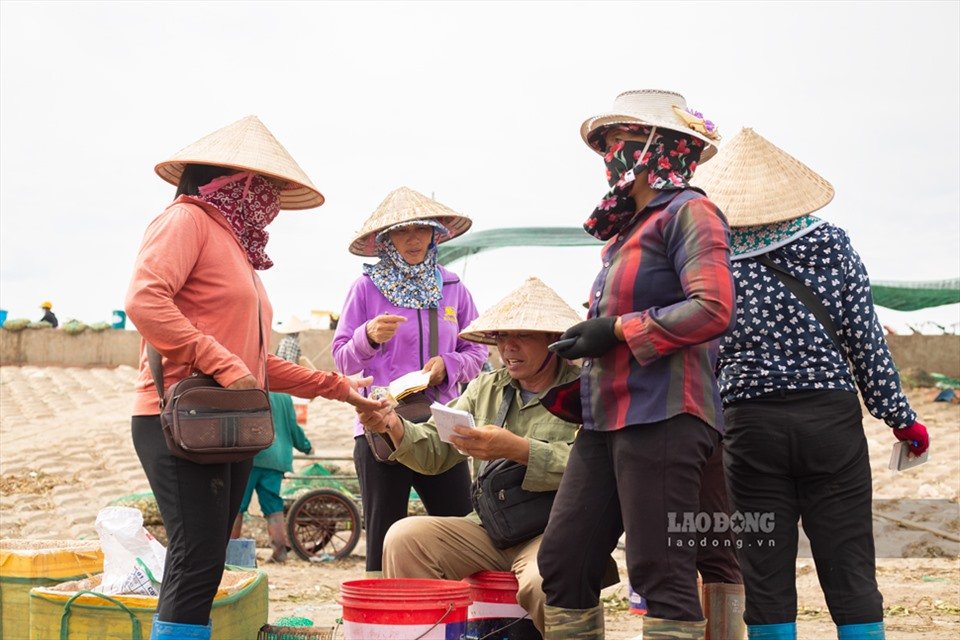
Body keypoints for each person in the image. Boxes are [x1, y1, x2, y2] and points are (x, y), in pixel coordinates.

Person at [125, 115, 383, 640]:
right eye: (261, 187)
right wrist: (221, 362)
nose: (267, 201)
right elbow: (144, 299)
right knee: (197, 550)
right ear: (229, 181)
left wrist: (341, 388)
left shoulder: (239, 250)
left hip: (233, 421)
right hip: (180, 416)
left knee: (207, 552)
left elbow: (258, 367)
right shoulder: (186, 220)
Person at [692, 128, 930, 640]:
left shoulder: (712, 259)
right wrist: (901, 419)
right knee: (849, 561)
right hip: (830, 422)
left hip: (750, 428)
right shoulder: (829, 243)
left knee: (765, 569)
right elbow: (864, 338)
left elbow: (703, 351)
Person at [538, 90, 735, 639]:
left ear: (656, 148)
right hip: (606, 416)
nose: (607, 153)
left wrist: (619, 328)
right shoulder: (629, 230)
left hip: (665, 413)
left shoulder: (690, 211)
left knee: (661, 571)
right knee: (564, 560)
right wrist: (592, 334)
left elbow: (713, 307)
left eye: (616, 139)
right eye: (604, 142)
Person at [357, 277, 584, 635]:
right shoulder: (486, 387)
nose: (508, 348)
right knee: (404, 537)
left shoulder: (584, 390)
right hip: (491, 527)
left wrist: (518, 450)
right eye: (501, 338)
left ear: (552, 340)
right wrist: (392, 426)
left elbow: (593, 468)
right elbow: (435, 447)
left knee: (544, 581)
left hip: (555, 531)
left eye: (522, 336)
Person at [333, 186, 489, 575]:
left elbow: (479, 352)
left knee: (462, 526)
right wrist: (367, 336)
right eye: (403, 231)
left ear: (436, 234)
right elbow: (341, 359)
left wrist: (448, 366)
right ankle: (381, 626)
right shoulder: (365, 288)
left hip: (441, 423)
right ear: (386, 240)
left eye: (422, 229)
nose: (414, 239)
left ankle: (465, 622)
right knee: (384, 535)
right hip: (379, 424)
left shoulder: (454, 288)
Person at [231, 391, 311, 563]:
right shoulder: (284, 396)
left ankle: (231, 553)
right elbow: (292, 427)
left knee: (237, 504)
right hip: (276, 458)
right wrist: (306, 446)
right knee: (273, 505)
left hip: (250, 455)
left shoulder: (249, 387)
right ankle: (280, 551)